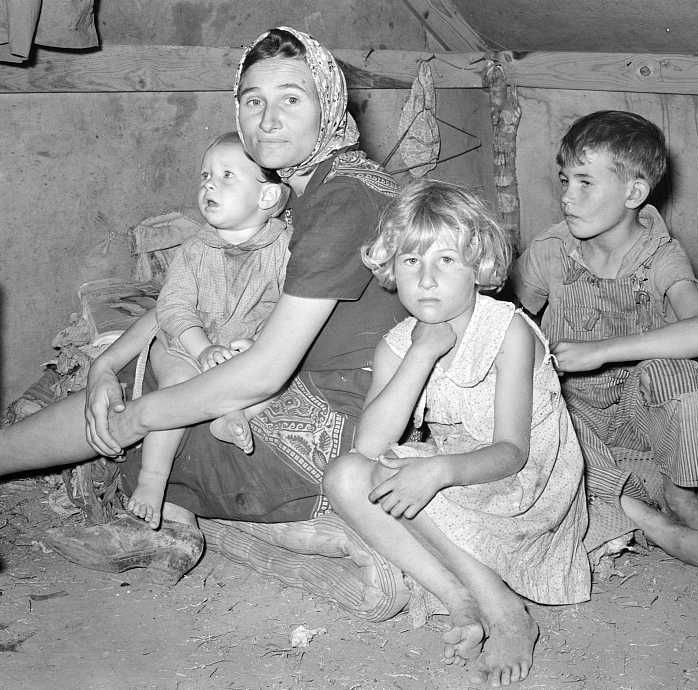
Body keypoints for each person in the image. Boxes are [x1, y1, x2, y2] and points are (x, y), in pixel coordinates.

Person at [0, 27, 405, 587]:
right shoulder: (321, 186)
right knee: (168, 366)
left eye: (292, 98)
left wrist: (144, 411)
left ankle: (167, 515)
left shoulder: (340, 201)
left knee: (152, 419)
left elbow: (262, 373)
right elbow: (195, 300)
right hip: (328, 398)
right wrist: (105, 363)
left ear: (329, 107)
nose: (268, 120)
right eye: (253, 100)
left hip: (337, 435)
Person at [323, 180, 590, 686]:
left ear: (479, 267)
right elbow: (368, 447)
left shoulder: (507, 330)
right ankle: (457, 595)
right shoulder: (398, 345)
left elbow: (512, 453)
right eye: (410, 262)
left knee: (397, 475)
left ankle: (507, 612)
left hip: (525, 485)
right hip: (458, 472)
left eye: (446, 260)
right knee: (345, 476)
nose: (426, 279)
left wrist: (437, 471)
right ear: (390, 267)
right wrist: (421, 353)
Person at [513, 110, 698, 576]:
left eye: (584, 183)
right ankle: (655, 523)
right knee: (542, 420)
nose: (566, 198)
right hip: (578, 413)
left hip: (641, 416)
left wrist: (601, 349)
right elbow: (509, 320)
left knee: (674, 371)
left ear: (634, 193)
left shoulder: (660, 257)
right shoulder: (550, 252)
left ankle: (680, 490)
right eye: (564, 181)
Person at [128, 131, 290, 530]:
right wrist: (200, 348)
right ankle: (153, 479)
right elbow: (173, 307)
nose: (210, 185)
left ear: (267, 197)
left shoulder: (285, 249)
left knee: (277, 381)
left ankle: (231, 415)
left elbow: (291, 307)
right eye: (205, 176)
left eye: (227, 175)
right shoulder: (194, 250)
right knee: (179, 391)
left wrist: (260, 340)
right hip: (185, 344)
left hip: (242, 349)